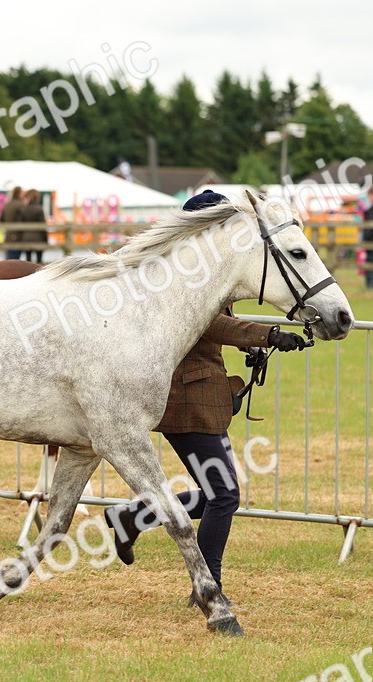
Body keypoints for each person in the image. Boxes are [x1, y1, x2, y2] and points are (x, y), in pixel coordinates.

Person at [104, 189, 309, 634]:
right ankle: (207, 582)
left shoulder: (199, 265)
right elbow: (211, 324)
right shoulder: (182, 271)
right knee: (224, 495)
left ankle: (132, 516)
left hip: (197, 392)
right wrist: (266, 335)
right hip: (186, 395)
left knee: (218, 493)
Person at [20, 188, 48, 262]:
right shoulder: (39, 209)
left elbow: (20, 224)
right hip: (38, 238)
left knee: (28, 261)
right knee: (39, 262)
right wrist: (46, 240)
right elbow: (43, 226)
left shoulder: (24, 209)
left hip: (26, 238)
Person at [1, 186, 26, 260]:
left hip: (8, 235)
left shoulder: (7, 204)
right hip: (17, 236)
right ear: (19, 193)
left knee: (9, 260)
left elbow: (1, 219)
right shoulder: (20, 205)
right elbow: (23, 220)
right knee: (15, 260)